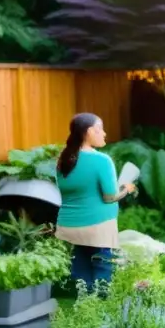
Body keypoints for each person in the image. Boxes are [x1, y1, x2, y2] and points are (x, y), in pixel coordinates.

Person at [56, 113, 136, 292]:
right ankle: (100, 306)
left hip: (70, 225)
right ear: (90, 131)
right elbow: (109, 197)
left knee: (81, 271)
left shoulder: (64, 159)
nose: (104, 134)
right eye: (100, 129)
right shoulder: (101, 160)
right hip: (97, 226)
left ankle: (83, 304)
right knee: (102, 268)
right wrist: (126, 189)